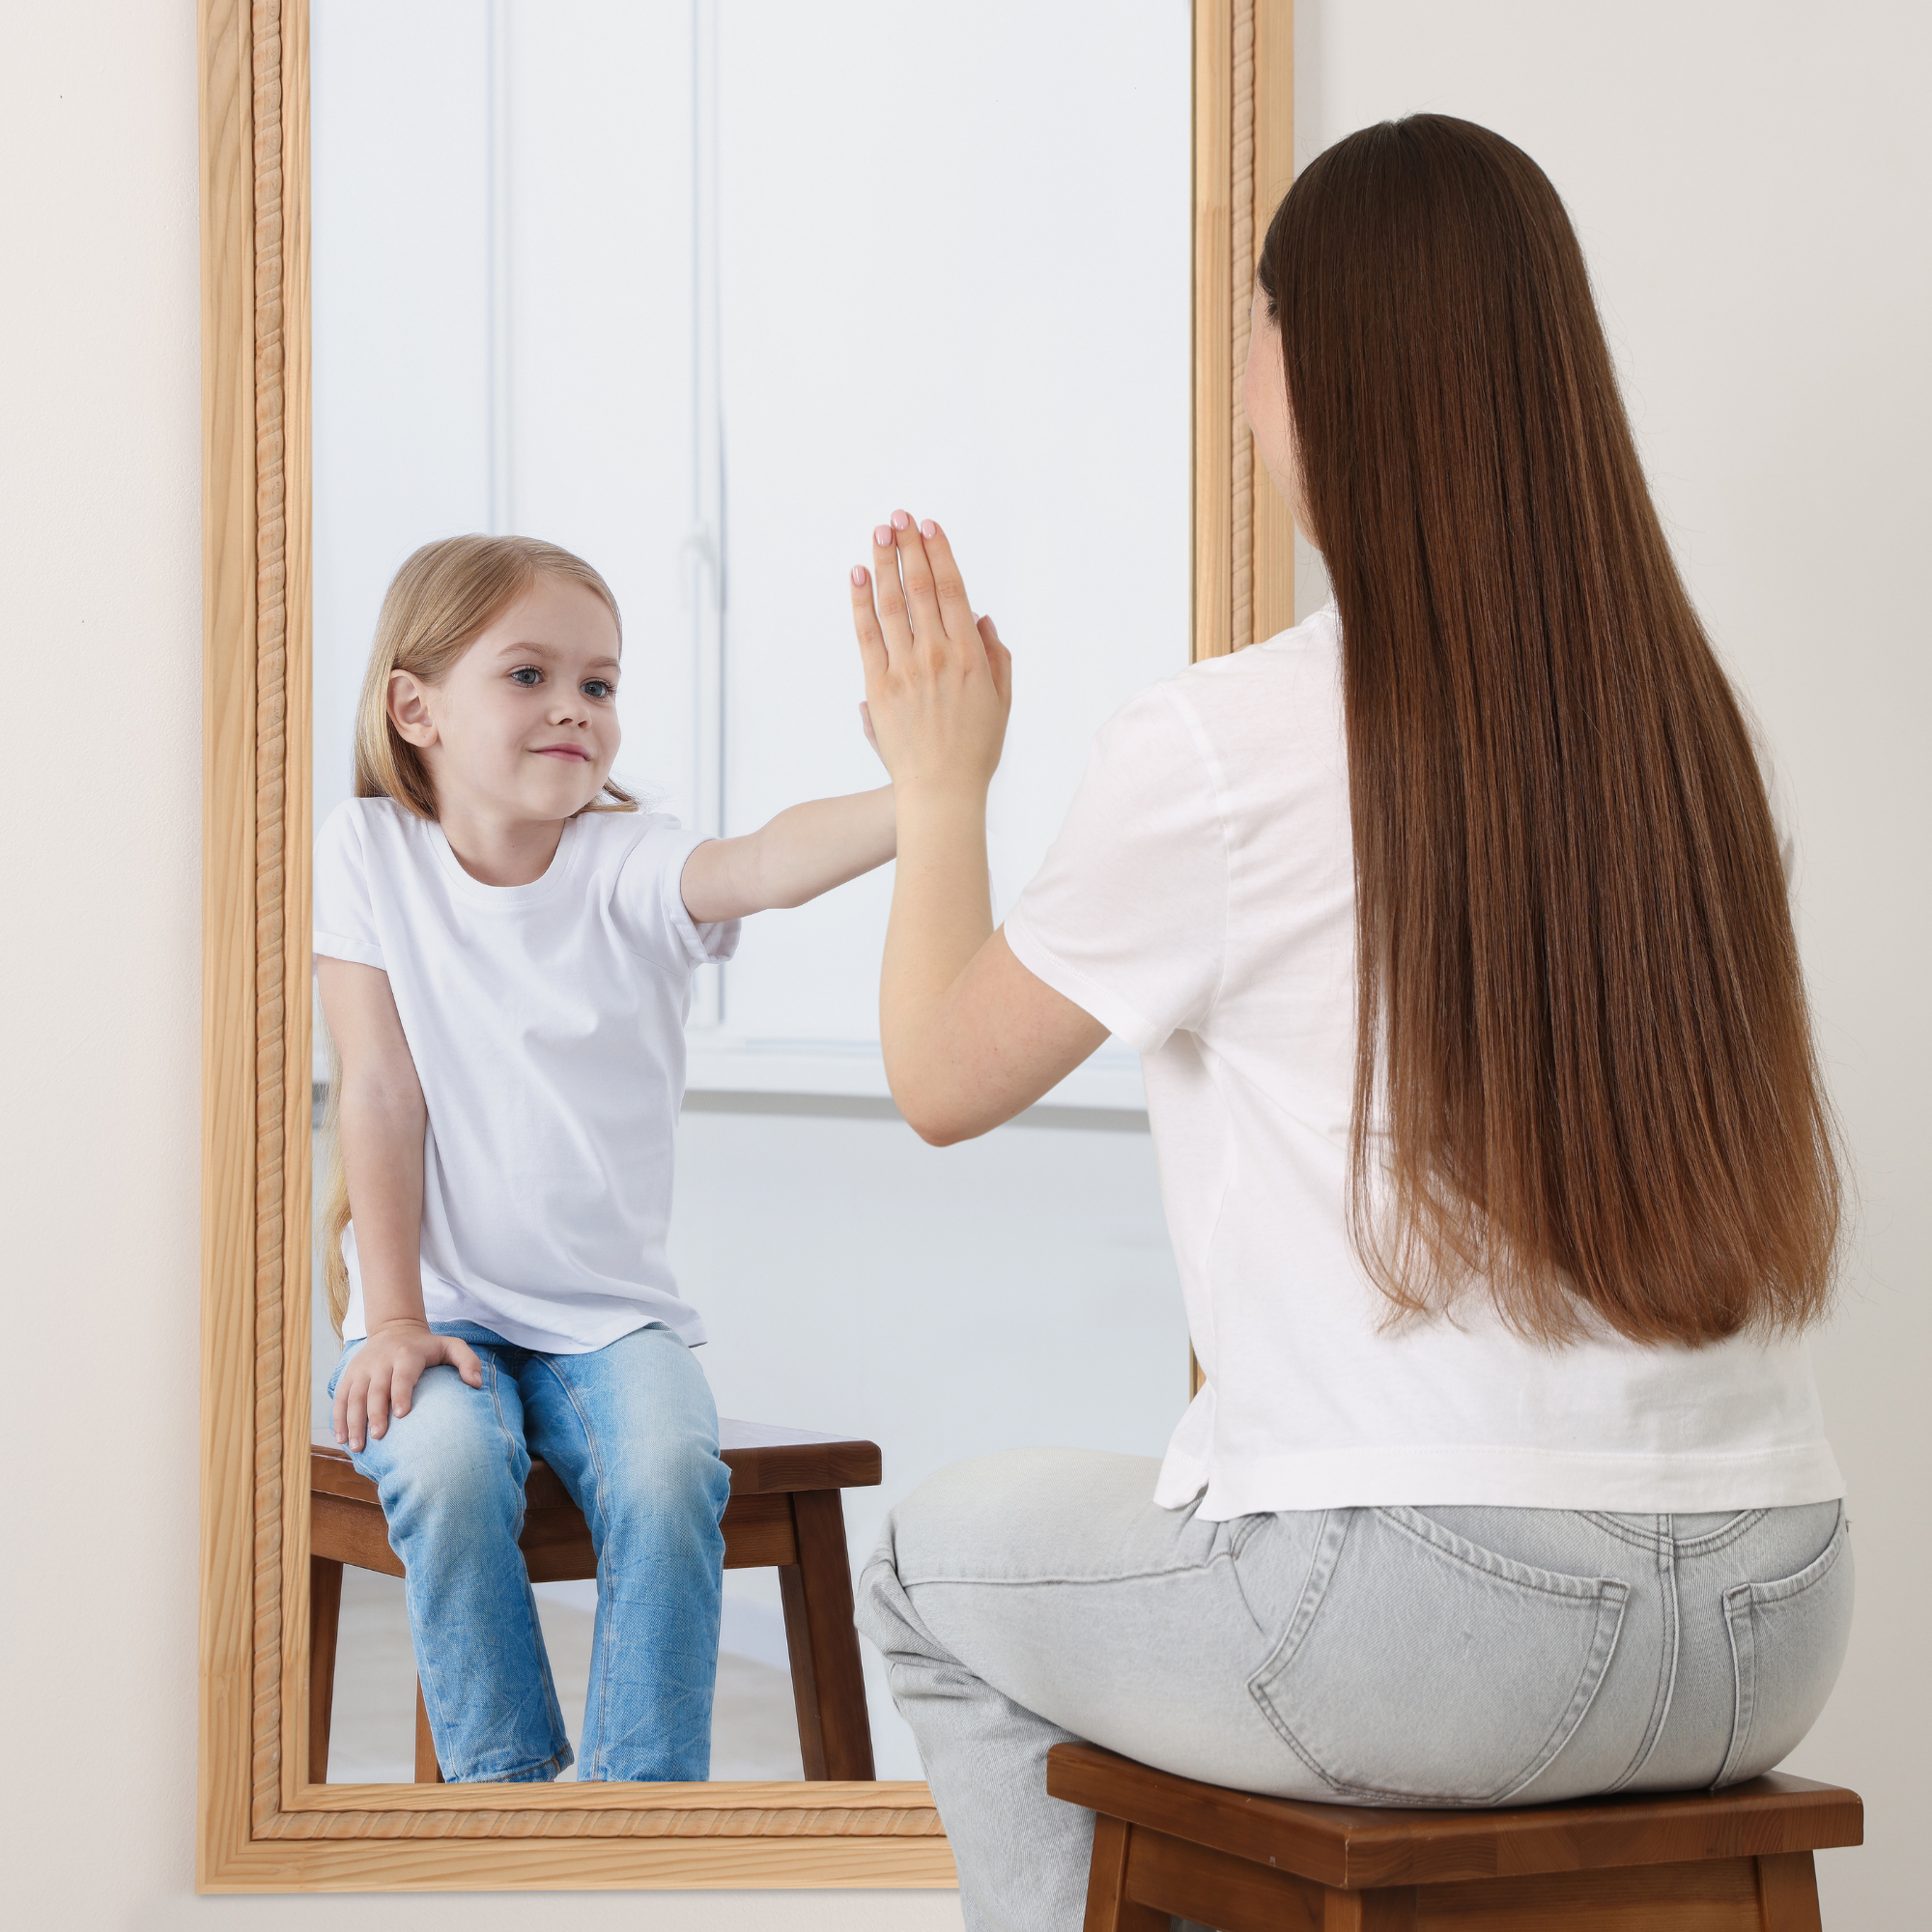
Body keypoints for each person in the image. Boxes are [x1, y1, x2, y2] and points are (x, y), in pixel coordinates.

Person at [847, 116, 1853, 1931]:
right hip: (1782, 1611)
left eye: (1256, 327)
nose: (1242, 381)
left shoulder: (1219, 746)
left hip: (1437, 1624)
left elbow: (938, 1077)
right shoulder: (1690, 733)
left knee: (922, 1558)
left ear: (1319, 363)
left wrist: (939, 784)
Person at [314, 532, 894, 1782]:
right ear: (415, 707)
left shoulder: (629, 861)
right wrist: (397, 1317)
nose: (574, 707)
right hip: (434, 1312)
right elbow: (375, 1087)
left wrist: (924, 795)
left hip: (608, 1323)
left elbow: (765, 864)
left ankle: (640, 1810)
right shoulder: (366, 854)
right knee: (452, 1470)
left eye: (600, 683)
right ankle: (509, 1802)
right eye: (528, 675)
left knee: (671, 1466)